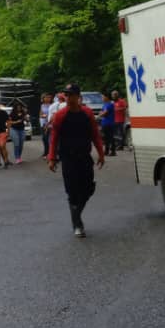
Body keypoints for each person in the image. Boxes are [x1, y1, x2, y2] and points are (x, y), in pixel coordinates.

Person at [48, 83, 105, 237]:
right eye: (66, 95)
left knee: (88, 189)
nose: (68, 98)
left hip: (84, 157)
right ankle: (77, 224)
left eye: (71, 94)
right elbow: (54, 138)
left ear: (78, 96)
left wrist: (101, 153)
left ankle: (76, 216)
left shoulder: (87, 113)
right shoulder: (60, 115)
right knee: (72, 192)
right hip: (68, 158)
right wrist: (52, 158)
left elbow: (95, 134)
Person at [9, 99, 29, 164]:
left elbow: (27, 120)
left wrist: (26, 117)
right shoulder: (12, 113)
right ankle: (17, 158)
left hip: (21, 129)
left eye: (20, 107)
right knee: (16, 143)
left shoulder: (23, 113)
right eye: (18, 107)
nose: (19, 108)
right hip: (14, 129)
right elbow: (9, 122)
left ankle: (19, 157)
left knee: (21, 144)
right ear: (15, 107)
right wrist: (16, 122)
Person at [99, 91, 117, 156]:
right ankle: (106, 150)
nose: (102, 98)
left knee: (110, 137)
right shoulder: (104, 104)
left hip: (109, 123)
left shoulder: (110, 104)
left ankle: (113, 151)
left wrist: (102, 114)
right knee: (106, 138)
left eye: (103, 96)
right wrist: (101, 114)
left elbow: (104, 113)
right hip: (105, 123)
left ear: (107, 97)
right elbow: (101, 112)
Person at [39, 93, 53, 159]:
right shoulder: (42, 105)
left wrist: (47, 116)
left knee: (49, 139)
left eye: (49, 97)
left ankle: (50, 153)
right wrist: (44, 116)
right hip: (43, 124)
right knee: (44, 138)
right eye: (46, 97)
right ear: (43, 98)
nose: (47, 99)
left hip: (50, 124)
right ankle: (46, 152)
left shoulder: (52, 105)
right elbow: (40, 115)